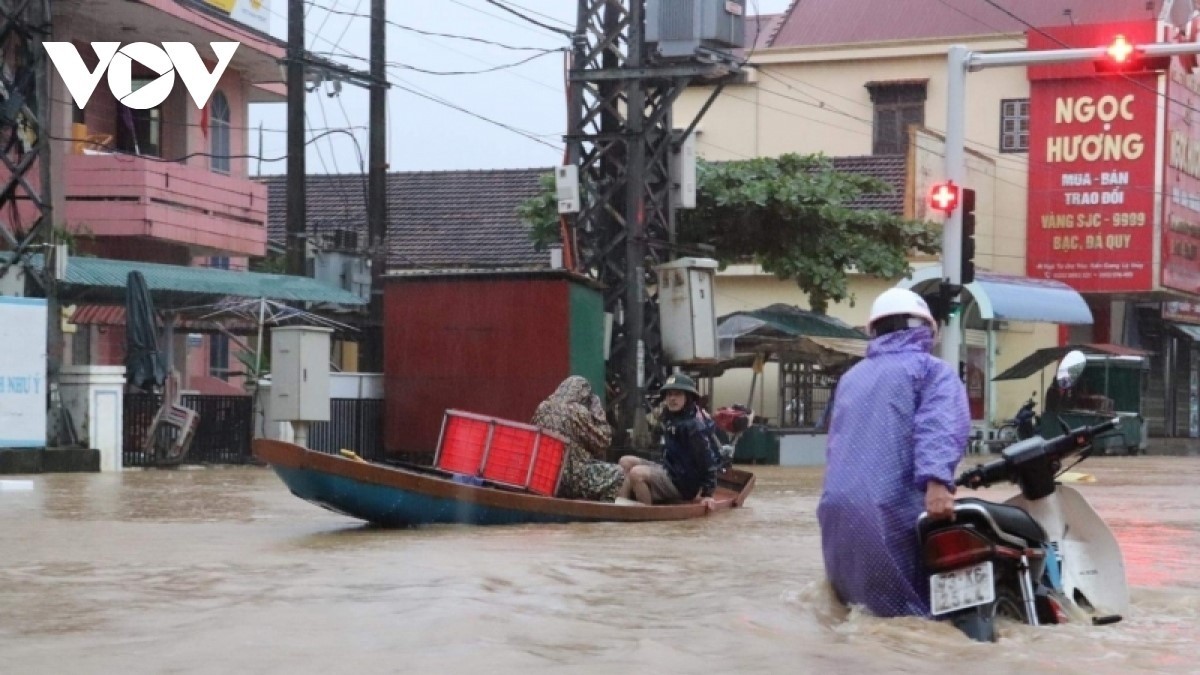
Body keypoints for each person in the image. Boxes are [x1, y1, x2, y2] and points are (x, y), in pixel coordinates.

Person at [816, 287, 971, 618]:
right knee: (911, 621)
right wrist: (938, 482)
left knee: (854, 616)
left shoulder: (850, 377)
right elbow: (939, 426)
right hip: (890, 510)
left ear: (874, 331)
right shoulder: (931, 371)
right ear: (928, 330)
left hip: (836, 512)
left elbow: (835, 441)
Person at [617, 373, 721, 509]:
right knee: (625, 461)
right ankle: (620, 505)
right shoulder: (670, 417)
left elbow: (708, 460)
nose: (672, 398)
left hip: (683, 483)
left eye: (677, 394)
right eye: (669, 394)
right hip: (669, 469)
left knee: (637, 473)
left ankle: (645, 515)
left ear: (688, 397)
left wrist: (708, 493)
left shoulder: (693, 426)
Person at [530, 376, 625, 502]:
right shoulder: (577, 411)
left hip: (545, 476)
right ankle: (603, 512)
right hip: (571, 480)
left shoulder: (543, 407)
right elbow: (604, 442)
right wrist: (597, 411)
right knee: (617, 473)